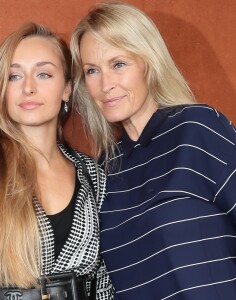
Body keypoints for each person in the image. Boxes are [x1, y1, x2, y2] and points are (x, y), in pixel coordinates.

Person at [0, 22, 114, 300]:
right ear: (1, 90)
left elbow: (103, 285)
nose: (28, 88)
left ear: (67, 89)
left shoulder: (94, 175)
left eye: (43, 74)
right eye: (14, 76)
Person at [70, 2, 236, 299]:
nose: (105, 84)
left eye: (118, 64)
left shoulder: (197, 129)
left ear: (149, 61)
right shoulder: (106, 167)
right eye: (92, 70)